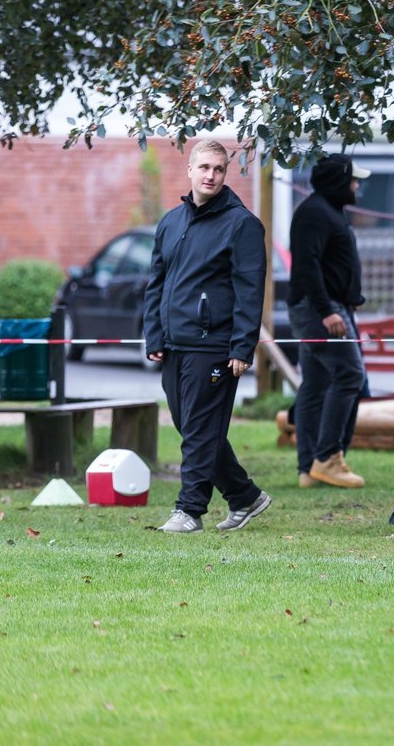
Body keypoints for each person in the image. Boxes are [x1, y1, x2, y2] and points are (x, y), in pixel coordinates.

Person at [143, 140, 271, 533]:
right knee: (193, 426)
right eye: (204, 168)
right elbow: (156, 284)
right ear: (190, 170)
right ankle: (245, 496)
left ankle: (189, 510)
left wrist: (241, 346)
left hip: (214, 345)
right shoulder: (171, 222)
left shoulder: (241, 224)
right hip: (175, 343)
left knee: (199, 429)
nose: (211, 175)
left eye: (218, 168)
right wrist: (155, 337)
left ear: (225, 173)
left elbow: (251, 290)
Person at [288, 153, 373, 489]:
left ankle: (309, 468)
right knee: (349, 374)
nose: (356, 185)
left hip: (328, 307)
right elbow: (307, 267)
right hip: (319, 310)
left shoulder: (327, 211)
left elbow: (331, 264)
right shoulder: (314, 213)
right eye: (353, 179)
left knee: (315, 384)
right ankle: (328, 457)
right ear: (339, 181)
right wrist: (327, 311)